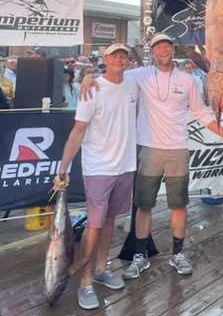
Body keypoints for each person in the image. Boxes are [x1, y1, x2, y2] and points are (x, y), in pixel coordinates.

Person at [81, 33, 223, 279]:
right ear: (152, 52)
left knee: (179, 205)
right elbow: (112, 76)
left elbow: (201, 113)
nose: (163, 50)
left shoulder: (189, 79)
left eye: (167, 46)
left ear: (173, 50)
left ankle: (178, 254)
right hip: (148, 148)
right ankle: (140, 256)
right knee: (144, 205)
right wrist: (89, 76)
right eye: (158, 47)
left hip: (178, 149)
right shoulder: (139, 75)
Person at [54, 44, 138, 310]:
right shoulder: (92, 88)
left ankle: (102, 268)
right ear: (105, 59)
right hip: (99, 168)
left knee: (110, 220)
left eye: (123, 55)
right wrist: (63, 167)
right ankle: (86, 282)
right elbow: (78, 131)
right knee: (95, 225)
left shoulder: (134, 83)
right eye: (114, 55)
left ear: (128, 60)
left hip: (125, 166)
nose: (119, 59)